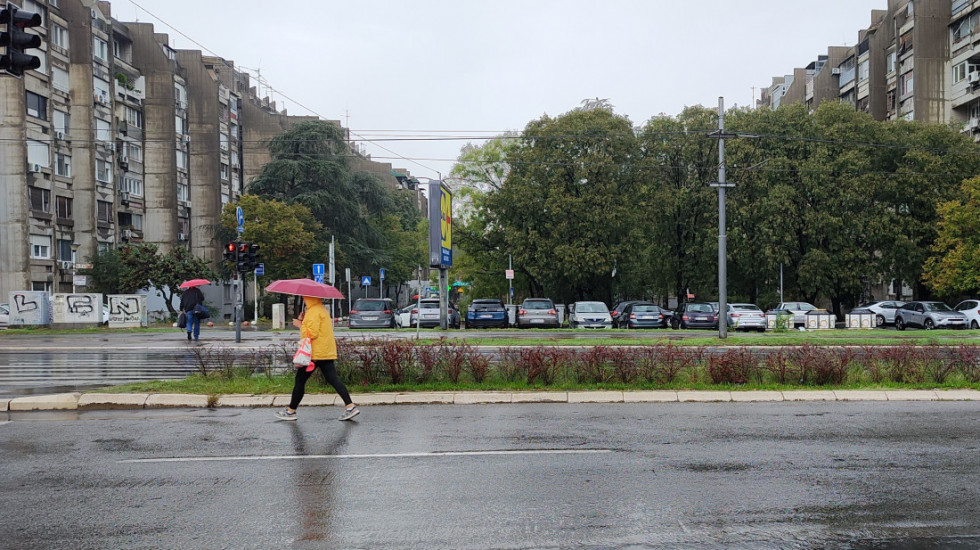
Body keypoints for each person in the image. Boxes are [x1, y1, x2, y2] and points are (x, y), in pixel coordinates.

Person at [276, 295, 359, 422]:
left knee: (300, 380)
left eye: (305, 298)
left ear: (310, 299)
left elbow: (312, 333)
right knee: (333, 379)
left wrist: (300, 325)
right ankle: (350, 406)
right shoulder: (321, 310)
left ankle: (290, 411)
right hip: (325, 351)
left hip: (315, 354)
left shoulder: (313, 312)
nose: (304, 300)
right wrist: (304, 321)